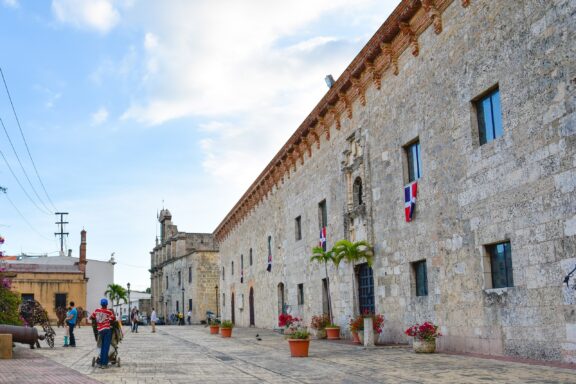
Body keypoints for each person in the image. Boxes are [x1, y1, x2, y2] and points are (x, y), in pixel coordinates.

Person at [90, 298, 116, 369]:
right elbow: (113, 318)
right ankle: (104, 364)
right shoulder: (109, 312)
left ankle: (100, 363)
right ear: (106, 304)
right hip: (107, 330)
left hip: (100, 331)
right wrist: (108, 320)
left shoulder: (97, 310)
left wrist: (98, 320)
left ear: (101, 304)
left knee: (101, 347)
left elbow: (91, 317)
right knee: (106, 347)